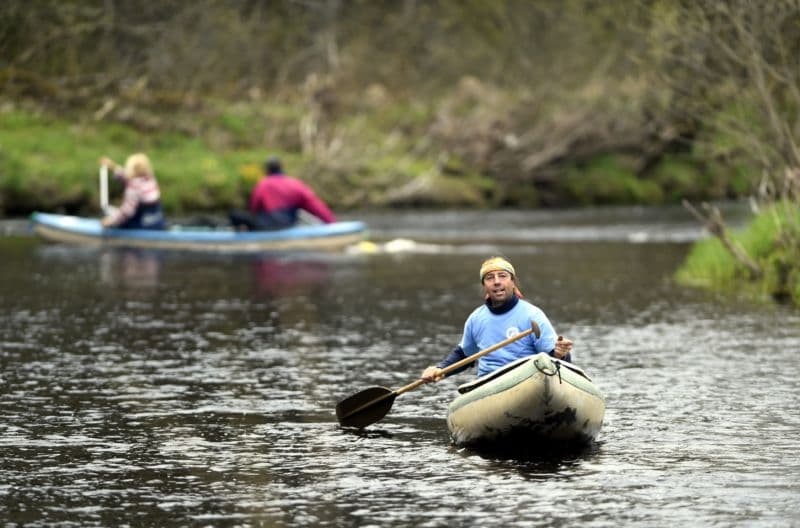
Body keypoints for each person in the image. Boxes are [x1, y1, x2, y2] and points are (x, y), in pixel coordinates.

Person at [421, 256, 573, 383]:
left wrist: (561, 354)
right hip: (489, 387)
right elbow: (463, 355)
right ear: (485, 286)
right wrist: (440, 369)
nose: (497, 282)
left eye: (502, 276)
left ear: (512, 282)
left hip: (527, 382)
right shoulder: (476, 319)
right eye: (490, 278)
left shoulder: (532, 315)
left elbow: (556, 360)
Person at [229, 156, 336, 230]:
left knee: (234, 214)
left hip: (266, 227)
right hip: (288, 224)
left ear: (267, 170)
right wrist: (331, 222)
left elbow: (254, 208)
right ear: (281, 167)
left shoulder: (262, 184)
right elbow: (315, 205)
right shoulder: (295, 184)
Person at [99, 153, 166, 230]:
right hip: (157, 224)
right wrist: (113, 166)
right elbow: (127, 176)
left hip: (139, 225)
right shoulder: (150, 179)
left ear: (131, 169)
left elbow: (127, 212)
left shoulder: (133, 188)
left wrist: (111, 221)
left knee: (111, 214)